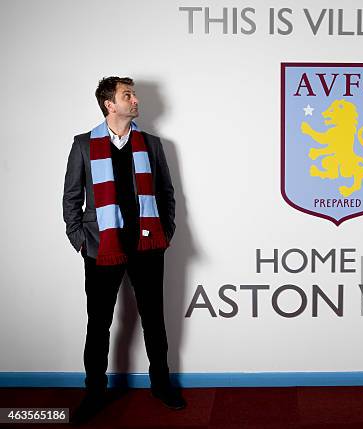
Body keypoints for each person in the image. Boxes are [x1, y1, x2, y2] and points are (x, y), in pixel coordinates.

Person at [62, 77, 186, 423]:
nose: (135, 101)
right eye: (127, 96)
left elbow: (167, 193)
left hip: (147, 244)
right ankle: (95, 392)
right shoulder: (84, 145)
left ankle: (161, 385)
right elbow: (72, 196)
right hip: (102, 247)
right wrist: (80, 238)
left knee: (154, 320)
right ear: (109, 104)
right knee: (99, 323)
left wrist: (166, 231)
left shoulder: (152, 144)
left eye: (134, 95)